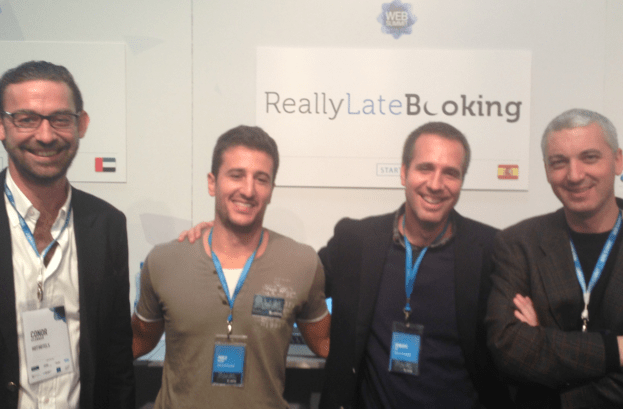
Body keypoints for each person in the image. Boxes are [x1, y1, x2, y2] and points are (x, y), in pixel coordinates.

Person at [133, 125, 330, 408]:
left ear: (271, 190)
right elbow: (138, 341)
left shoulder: (301, 263)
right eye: (236, 175)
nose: (248, 190)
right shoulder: (164, 261)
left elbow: (324, 343)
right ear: (212, 183)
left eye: (261, 179)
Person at [319, 122, 512, 408]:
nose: (435, 184)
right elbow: (299, 287)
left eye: (450, 173)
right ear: (403, 172)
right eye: (425, 168)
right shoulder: (356, 241)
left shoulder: (492, 250)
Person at [0, 61, 134, 408]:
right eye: (26, 119)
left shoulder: (107, 225)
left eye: (60, 119)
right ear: (2, 125)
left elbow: (117, 358)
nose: (46, 135)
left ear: (81, 124)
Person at [486, 108, 623, 408]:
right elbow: (508, 348)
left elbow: (529, 353)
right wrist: (615, 351)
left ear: (618, 161)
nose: (574, 175)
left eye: (589, 157)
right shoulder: (518, 243)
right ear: (547, 170)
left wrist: (543, 341)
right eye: (559, 162)